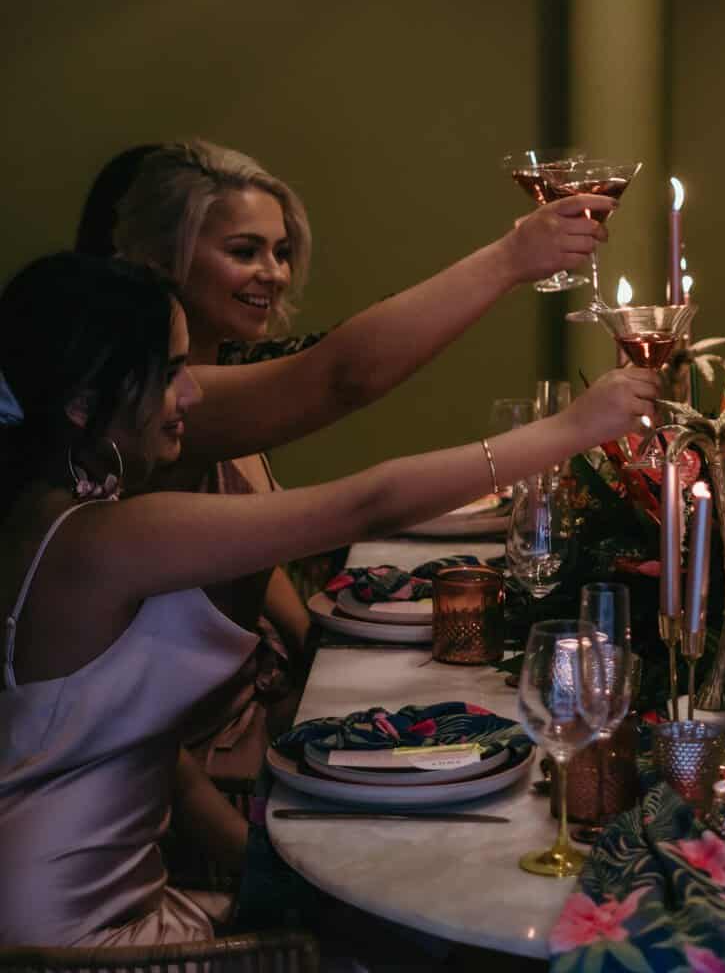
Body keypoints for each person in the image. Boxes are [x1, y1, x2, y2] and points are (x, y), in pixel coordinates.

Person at [0, 252, 656, 948]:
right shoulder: (102, 540)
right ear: (80, 403)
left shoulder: (56, 514)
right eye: (167, 375)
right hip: (76, 943)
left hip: (101, 902)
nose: (191, 396)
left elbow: (146, 751)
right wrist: (569, 430)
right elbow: (364, 507)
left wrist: (260, 867)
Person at [71, 139, 612, 792]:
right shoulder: (155, 412)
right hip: (187, 784)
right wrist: (510, 261)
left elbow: (243, 528)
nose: (272, 272)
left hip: (247, 730)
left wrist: (311, 650)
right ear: (158, 261)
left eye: (281, 252)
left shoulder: (224, 370)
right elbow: (342, 377)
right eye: (243, 252)